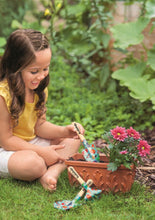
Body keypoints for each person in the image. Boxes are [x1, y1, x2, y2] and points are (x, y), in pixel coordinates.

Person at [0, 29, 84, 191]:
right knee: (34, 164)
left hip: (29, 143)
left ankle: (52, 173)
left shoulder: (38, 88)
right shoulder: (3, 95)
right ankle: (43, 166)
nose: (41, 76)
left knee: (74, 139)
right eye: (34, 71)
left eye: (45, 68)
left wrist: (64, 131)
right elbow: (6, 140)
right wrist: (42, 152)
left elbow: (39, 126)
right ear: (16, 67)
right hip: (5, 149)